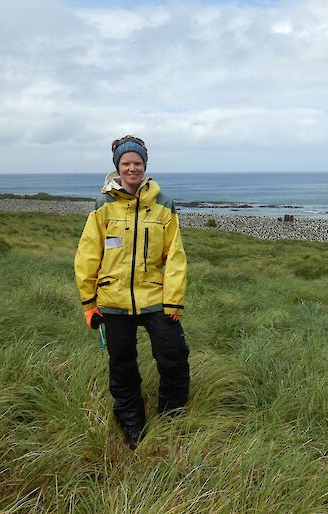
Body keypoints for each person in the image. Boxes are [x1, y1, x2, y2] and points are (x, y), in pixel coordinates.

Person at [74, 135, 189, 450]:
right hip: (112, 301)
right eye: (126, 163)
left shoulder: (163, 203)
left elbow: (175, 256)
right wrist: (88, 301)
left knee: (174, 357)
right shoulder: (104, 205)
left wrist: (174, 299)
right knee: (122, 364)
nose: (132, 168)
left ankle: (172, 417)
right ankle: (133, 424)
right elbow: (87, 254)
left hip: (155, 297)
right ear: (118, 167)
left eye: (137, 162)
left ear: (145, 166)